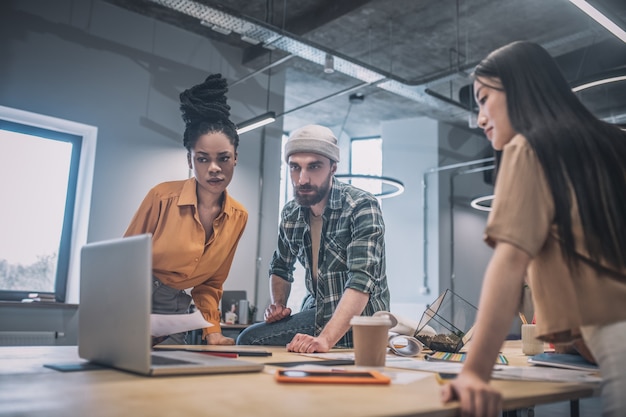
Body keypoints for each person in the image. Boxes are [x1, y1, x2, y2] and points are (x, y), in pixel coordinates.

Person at [441, 41, 626, 417]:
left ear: (520, 88)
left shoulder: (528, 147)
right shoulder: (616, 142)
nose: (479, 118)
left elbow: (508, 265)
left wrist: (475, 373)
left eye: (483, 98)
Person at [236, 124, 390, 352]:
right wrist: (278, 305)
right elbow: (280, 266)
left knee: (250, 340)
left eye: (314, 166)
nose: (303, 179)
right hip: (316, 312)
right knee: (251, 340)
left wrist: (325, 339)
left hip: (362, 322)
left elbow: (361, 282)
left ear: (333, 167)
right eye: (295, 167)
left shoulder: (361, 206)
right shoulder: (291, 213)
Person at [124, 73, 247, 346]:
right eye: (203, 159)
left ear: (235, 158)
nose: (214, 168)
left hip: (176, 309)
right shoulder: (161, 197)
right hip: (135, 299)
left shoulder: (238, 217)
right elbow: (125, 263)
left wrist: (213, 332)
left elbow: (211, 284)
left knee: (169, 380)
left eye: (223, 158)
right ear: (190, 160)